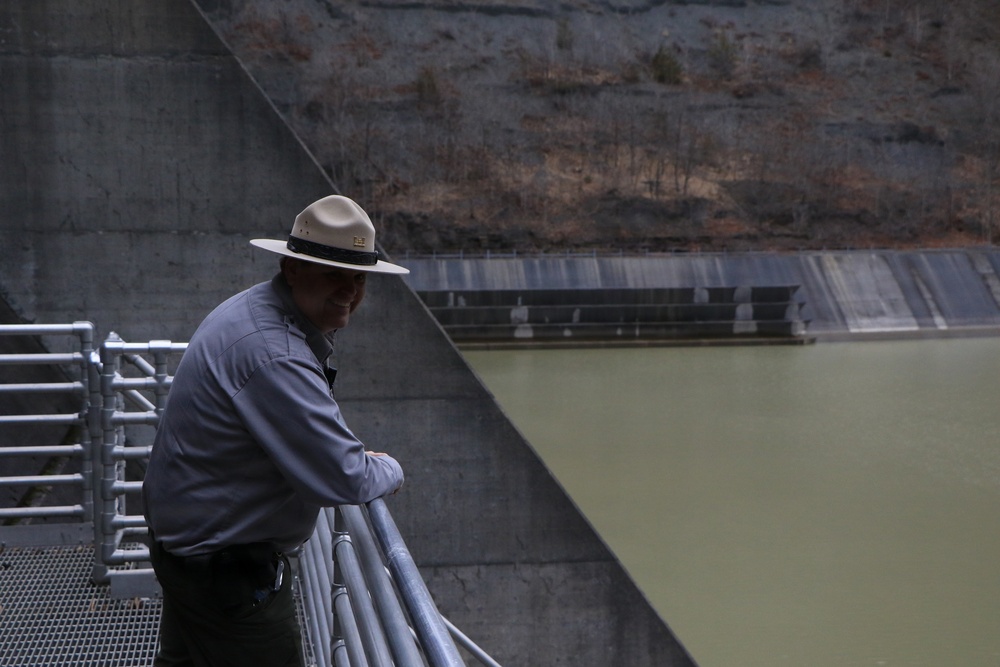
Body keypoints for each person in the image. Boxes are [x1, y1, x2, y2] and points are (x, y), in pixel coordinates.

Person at [142, 194, 408, 667]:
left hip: (190, 550)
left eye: (359, 277)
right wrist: (389, 466)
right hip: (225, 573)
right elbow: (345, 476)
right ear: (293, 269)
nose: (350, 290)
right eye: (334, 274)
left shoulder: (253, 311)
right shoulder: (275, 352)